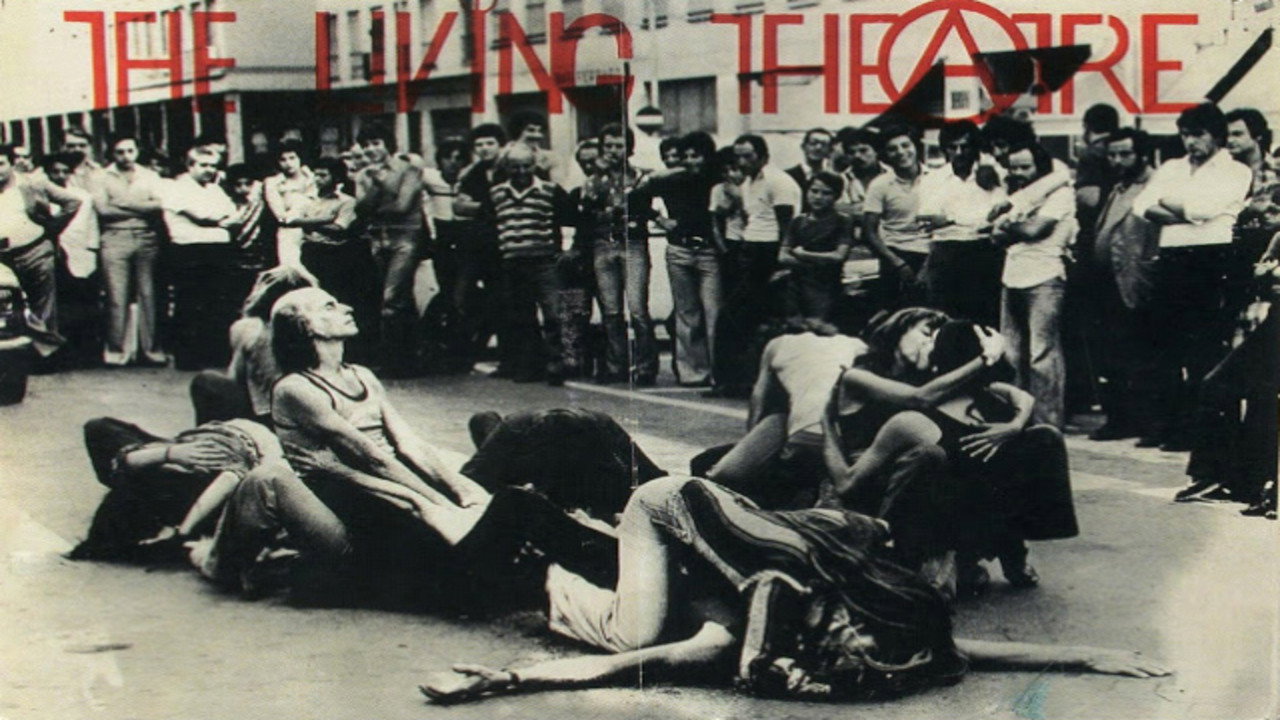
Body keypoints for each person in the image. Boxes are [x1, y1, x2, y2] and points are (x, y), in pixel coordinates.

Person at [420, 476, 1168, 705]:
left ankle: (561, 526)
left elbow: (960, 646)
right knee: (633, 632)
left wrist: (1087, 655)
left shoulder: (861, 603)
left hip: (724, 514)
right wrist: (512, 679)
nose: (846, 641)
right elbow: (628, 663)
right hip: (664, 506)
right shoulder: (765, 611)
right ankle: (524, 541)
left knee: (658, 609)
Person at [1130, 102, 1253, 449]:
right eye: (1185, 135)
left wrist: (1171, 204)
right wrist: (1185, 212)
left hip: (1211, 259)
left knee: (1205, 347)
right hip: (1172, 258)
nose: (1190, 142)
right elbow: (1141, 206)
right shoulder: (1172, 167)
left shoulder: (1236, 171)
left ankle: (1207, 432)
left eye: (1198, 135)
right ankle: (1172, 427)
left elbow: (1204, 208)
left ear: (1216, 135)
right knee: (1167, 346)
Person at [701, 319, 866, 510]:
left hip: (805, 439)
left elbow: (758, 399)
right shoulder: (855, 344)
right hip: (849, 437)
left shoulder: (778, 344)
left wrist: (750, 444)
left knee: (732, 470)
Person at [989, 141, 1076, 430]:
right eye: (1014, 168)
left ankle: (1048, 424)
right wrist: (1012, 228)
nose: (1019, 173)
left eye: (1025, 167)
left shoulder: (1061, 195)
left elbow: (1034, 229)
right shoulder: (1019, 197)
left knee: (1042, 355)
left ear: (1041, 168)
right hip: (1012, 277)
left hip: (1045, 278)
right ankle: (1018, 419)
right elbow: (995, 235)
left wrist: (1008, 226)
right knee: (1012, 354)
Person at [1086, 128, 1161, 441]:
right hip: (1108, 282)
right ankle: (1119, 419)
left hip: (1137, 281)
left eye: (1125, 154)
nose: (1117, 160)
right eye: (1112, 155)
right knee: (1113, 356)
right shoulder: (1117, 188)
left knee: (1142, 355)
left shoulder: (1156, 184)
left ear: (1141, 155)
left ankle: (1149, 422)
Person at [636, 131, 723, 386]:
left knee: (713, 312)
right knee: (687, 314)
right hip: (679, 250)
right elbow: (635, 198)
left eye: (696, 155)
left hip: (708, 251)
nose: (690, 161)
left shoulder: (715, 180)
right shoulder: (672, 180)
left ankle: (719, 372)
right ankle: (692, 372)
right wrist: (660, 219)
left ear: (707, 156)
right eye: (685, 156)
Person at [578, 123, 659, 385]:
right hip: (603, 243)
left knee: (637, 309)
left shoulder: (641, 176)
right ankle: (617, 365)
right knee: (611, 310)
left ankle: (646, 367)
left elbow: (643, 206)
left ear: (630, 148)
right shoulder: (593, 179)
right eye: (609, 146)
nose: (614, 151)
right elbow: (587, 209)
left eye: (619, 146)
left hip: (632, 243)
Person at [489, 143, 573, 385]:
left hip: (545, 262)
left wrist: (568, 250)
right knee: (522, 317)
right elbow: (489, 226)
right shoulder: (496, 194)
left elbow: (571, 219)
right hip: (512, 263)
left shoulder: (550, 191)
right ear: (507, 168)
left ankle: (558, 363)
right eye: (515, 167)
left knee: (554, 314)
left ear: (534, 166)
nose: (521, 172)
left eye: (526, 166)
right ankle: (531, 366)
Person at [189, 266, 314, 426]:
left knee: (207, 381)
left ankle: (209, 435)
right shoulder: (315, 328)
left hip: (266, 415)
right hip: (305, 415)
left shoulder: (250, 327)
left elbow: (235, 377)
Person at [353, 121, 428, 377]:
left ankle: (394, 361)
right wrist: (376, 187)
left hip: (406, 237)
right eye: (366, 145)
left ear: (388, 145)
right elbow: (361, 210)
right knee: (401, 299)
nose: (371, 149)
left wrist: (380, 184)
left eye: (376, 143)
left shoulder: (409, 168)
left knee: (391, 299)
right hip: (379, 239)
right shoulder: (364, 174)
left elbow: (402, 206)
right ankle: (412, 357)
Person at [915, 120, 1005, 326]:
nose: (959, 153)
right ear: (944, 149)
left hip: (984, 250)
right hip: (945, 253)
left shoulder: (991, 175)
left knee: (985, 317)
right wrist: (974, 218)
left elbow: (994, 218)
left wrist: (951, 219)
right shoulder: (933, 179)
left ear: (975, 147)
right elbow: (928, 219)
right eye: (952, 147)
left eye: (965, 147)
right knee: (946, 317)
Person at [0, 143, 82, 361]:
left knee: (43, 305)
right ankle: (24, 351)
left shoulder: (33, 183)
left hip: (34, 251)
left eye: (1, 164)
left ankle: (46, 356)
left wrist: (52, 229)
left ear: (12, 164)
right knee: (10, 307)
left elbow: (72, 202)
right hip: (3, 259)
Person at [162, 146, 240, 370]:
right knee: (190, 302)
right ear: (190, 165)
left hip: (218, 248)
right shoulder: (176, 188)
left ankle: (214, 354)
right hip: (190, 250)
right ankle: (188, 357)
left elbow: (233, 214)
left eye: (213, 166)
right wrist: (220, 220)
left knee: (216, 302)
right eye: (203, 165)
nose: (209, 170)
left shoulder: (215, 190)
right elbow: (200, 217)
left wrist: (221, 220)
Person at [93, 134, 166, 367]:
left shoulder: (150, 176)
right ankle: (116, 351)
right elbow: (103, 210)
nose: (126, 156)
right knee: (116, 295)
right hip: (114, 237)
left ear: (137, 151)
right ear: (112, 154)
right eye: (120, 152)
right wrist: (142, 209)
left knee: (148, 294)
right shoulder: (101, 176)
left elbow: (159, 205)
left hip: (146, 237)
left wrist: (124, 204)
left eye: (130, 151)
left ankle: (151, 350)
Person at [861, 124, 930, 306]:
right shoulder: (879, 185)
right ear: (886, 155)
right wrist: (898, 263)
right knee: (896, 313)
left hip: (932, 255)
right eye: (892, 149)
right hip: (895, 254)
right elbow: (869, 232)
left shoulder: (936, 179)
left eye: (905, 145)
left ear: (915, 147)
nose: (901, 152)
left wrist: (930, 263)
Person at [778, 171, 853, 322]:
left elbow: (839, 256)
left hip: (826, 287)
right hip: (796, 287)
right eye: (814, 191)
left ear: (837, 196)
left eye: (826, 193)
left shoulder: (842, 221)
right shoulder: (798, 221)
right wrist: (818, 262)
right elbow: (783, 257)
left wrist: (803, 254)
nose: (818, 197)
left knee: (821, 327)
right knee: (795, 327)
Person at [263, 139, 316, 269]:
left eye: (292, 158)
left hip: (316, 231)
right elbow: (281, 217)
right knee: (291, 269)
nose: (288, 163)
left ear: (300, 158)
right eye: (283, 160)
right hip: (290, 232)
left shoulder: (313, 178)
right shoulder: (273, 183)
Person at [785, 128, 834, 211]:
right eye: (813, 143)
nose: (818, 148)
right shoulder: (787, 176)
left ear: (830, 150)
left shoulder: (832, 178)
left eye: (824, 144)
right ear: (803, 147)